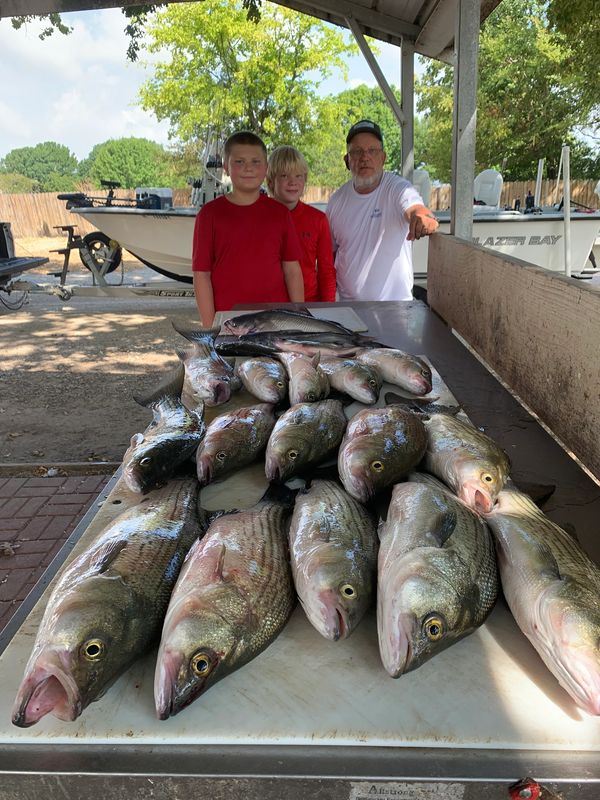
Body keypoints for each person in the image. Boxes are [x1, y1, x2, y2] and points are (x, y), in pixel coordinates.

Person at [192, 131, 305, 326]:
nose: (248, 168)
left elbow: (292, 270)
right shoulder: (209, 215)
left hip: (276, 320)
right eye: (239, 162)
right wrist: (210, 326)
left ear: (266, 168)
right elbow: (202, 275)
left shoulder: (279, 213)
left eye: (255, 162)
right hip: (229, 322)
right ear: (226, 167)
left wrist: (299, 318)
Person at [326, 119, 439, 302]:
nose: (365, 157)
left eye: (372, 151)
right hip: (348, 309)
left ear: (383, 158)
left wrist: (422, 218)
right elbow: (329, 255)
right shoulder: (336, 201)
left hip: (395, 308)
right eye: (356, 151)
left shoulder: (398, 188)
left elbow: (416, 209)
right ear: (347, 160)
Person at [267, 145, 336, 303]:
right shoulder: (260, 218)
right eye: (284, 176)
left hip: (309, 304)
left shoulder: (318, 219)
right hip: (270, 305)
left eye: (299, 176)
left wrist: (329, 308)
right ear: (271, 182)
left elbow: (326, 270)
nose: (293, 182)